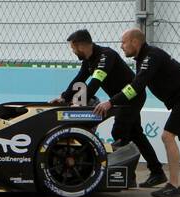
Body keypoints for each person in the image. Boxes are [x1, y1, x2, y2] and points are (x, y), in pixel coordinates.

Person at [94, 29, 180, 197]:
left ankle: (173, 186)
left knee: (167, 136)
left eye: (124, 42)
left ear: (135, 42)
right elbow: (137, 86)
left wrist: (110, 102)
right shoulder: (143, 58)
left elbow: (136, 87)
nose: (121, 46)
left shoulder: (151, 57)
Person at [50, 29, 166, 188]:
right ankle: (151, 173)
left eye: (73, 48)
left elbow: (96, 81)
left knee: (120, 132)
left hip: (132, 97)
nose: (73, 51)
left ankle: (133, 175)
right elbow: (80, 79)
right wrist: (64, 97)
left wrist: (81, 102)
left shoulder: (106, 55)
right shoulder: (89, 60)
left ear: (81, 46)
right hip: (120, 99)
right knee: (136, 134)